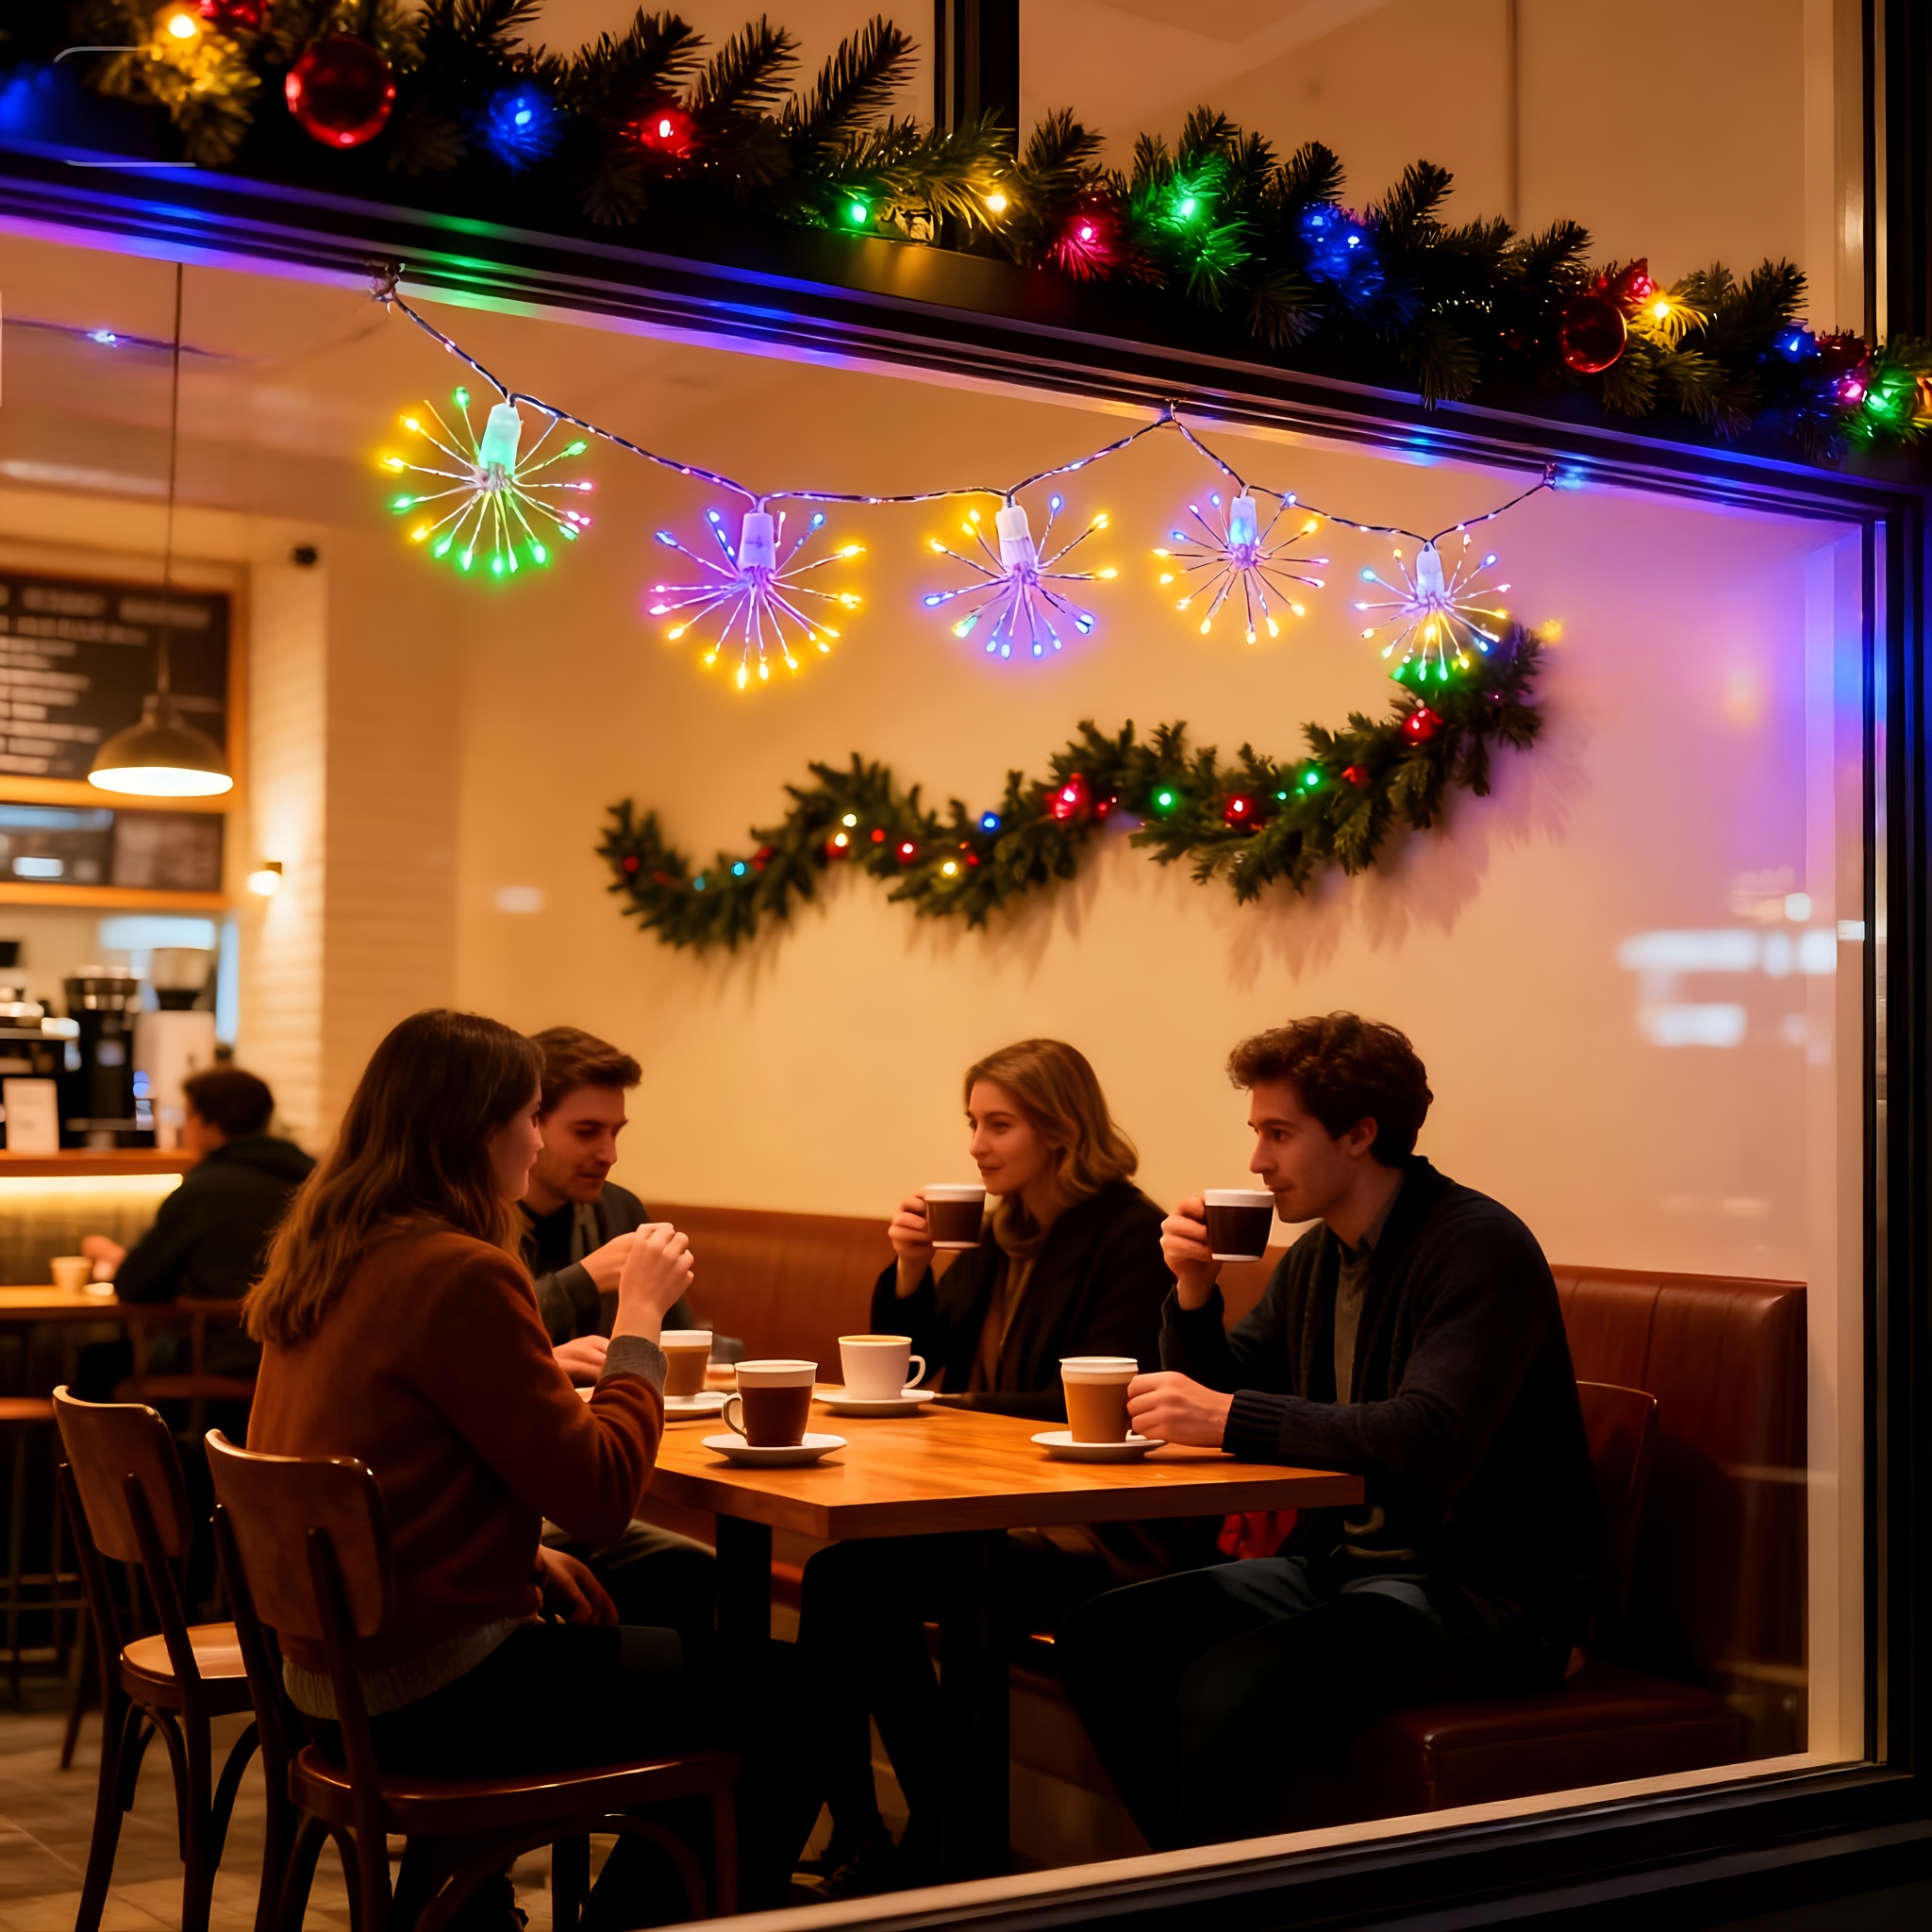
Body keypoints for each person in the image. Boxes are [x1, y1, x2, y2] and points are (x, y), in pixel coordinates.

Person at [242, 1008, 802, 1920]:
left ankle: (476, 1901)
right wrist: (640, 1323)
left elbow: (362, 1464)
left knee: (670, 1612)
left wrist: (517, 1552)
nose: (539, 1143)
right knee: (790, 1699)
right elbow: (600, 1498)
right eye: (533, 1116)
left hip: (329, 1676)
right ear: (477, 1129)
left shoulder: (328, 1257)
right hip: (436, 1691)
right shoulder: (460, 1271)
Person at [1055, 1013, 1599, 1851]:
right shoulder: (1320, 1257)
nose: (1256, 1162)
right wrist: (1194, 1292)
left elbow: (1430, 1438)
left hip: (1491, 1596)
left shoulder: (1476, 1245)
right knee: (1103, 1636)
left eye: (1278, 1133)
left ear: (1359, 1134)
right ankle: (1187, 1877)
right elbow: (1227, 1390)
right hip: (1345, 1569)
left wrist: (1230, 1416)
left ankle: (1230, 1901)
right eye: (1256, 1133)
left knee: (1225, 1687)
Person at [795, 1039, 1218, 1895]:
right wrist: (912, 1266)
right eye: (973, 1125)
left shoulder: (1125, 1234)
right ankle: (895, 1829)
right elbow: (926, 1355)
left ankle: (942, 1836)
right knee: (842, 1574)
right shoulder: (1006, 1229)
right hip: (999, 1505)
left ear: (1059, 1131)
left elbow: (1092, 1399)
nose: (979, 1146)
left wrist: (951, 1413)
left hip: (1098, 1530)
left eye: (999, 1125)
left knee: (852, 1579)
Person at [521, 1025, 716, 1658]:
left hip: (581, 1471)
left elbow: (682, 1343)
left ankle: (669, 1739)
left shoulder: (617, 1209)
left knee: (694, 1568)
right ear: (530, 1124)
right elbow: (483, 1338)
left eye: (616, 1133)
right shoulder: (483, 1221)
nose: (607, 1153)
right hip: (529, 1492)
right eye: (586, 1132)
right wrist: (583, 1282)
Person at [75, 1066, 312, 1397]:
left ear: (209, 1124)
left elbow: (134, 1283)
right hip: (303, 1351)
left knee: (100, 1363)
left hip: (227, 1354)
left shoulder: (204, 1189)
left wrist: (118, 1259)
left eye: (187, 1117)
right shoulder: (313, 1180)